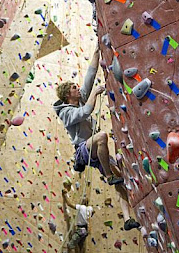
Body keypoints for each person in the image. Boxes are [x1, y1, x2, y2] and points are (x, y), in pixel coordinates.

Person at [53, 46, 140, 231]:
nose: (78, 88)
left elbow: (90, 74)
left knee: (120, 181)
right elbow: (85, 112)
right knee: (102, 137)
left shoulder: (81, 97)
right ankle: (108, 175)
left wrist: (97, 48)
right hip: (83, 150)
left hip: (95, 151)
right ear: (68, 95)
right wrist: (95, 93)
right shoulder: (66, 113)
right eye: (74, 88)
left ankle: (127, 219)